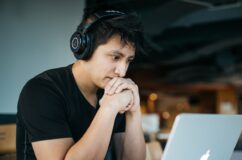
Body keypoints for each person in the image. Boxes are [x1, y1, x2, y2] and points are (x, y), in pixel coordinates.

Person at [16, 8, 146, 160]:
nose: (122, 72)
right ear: (85, 48)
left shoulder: (113, 91)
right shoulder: (41, 91)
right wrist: (108, 109)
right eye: (115, 57)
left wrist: (134, 112)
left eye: (128, 60)